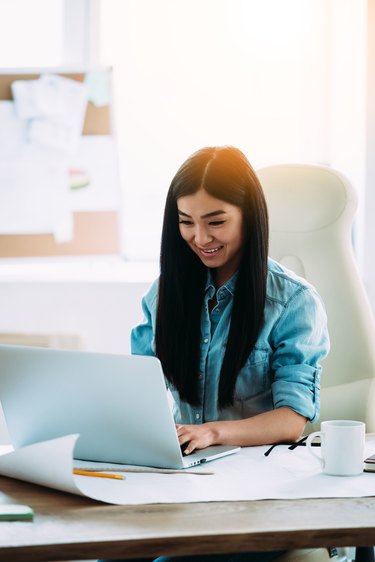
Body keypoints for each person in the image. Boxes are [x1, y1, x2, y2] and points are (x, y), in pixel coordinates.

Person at [101, 146, 329, 562]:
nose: (200, 238)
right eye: (186, 223)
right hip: (183, 484)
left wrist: (212, 432)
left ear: (249, 216)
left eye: (216, 222)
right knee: (108, 552)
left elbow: (293, 421)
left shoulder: (293, 300)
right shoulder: (164, 293)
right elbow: (139, 391)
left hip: (261, 494)